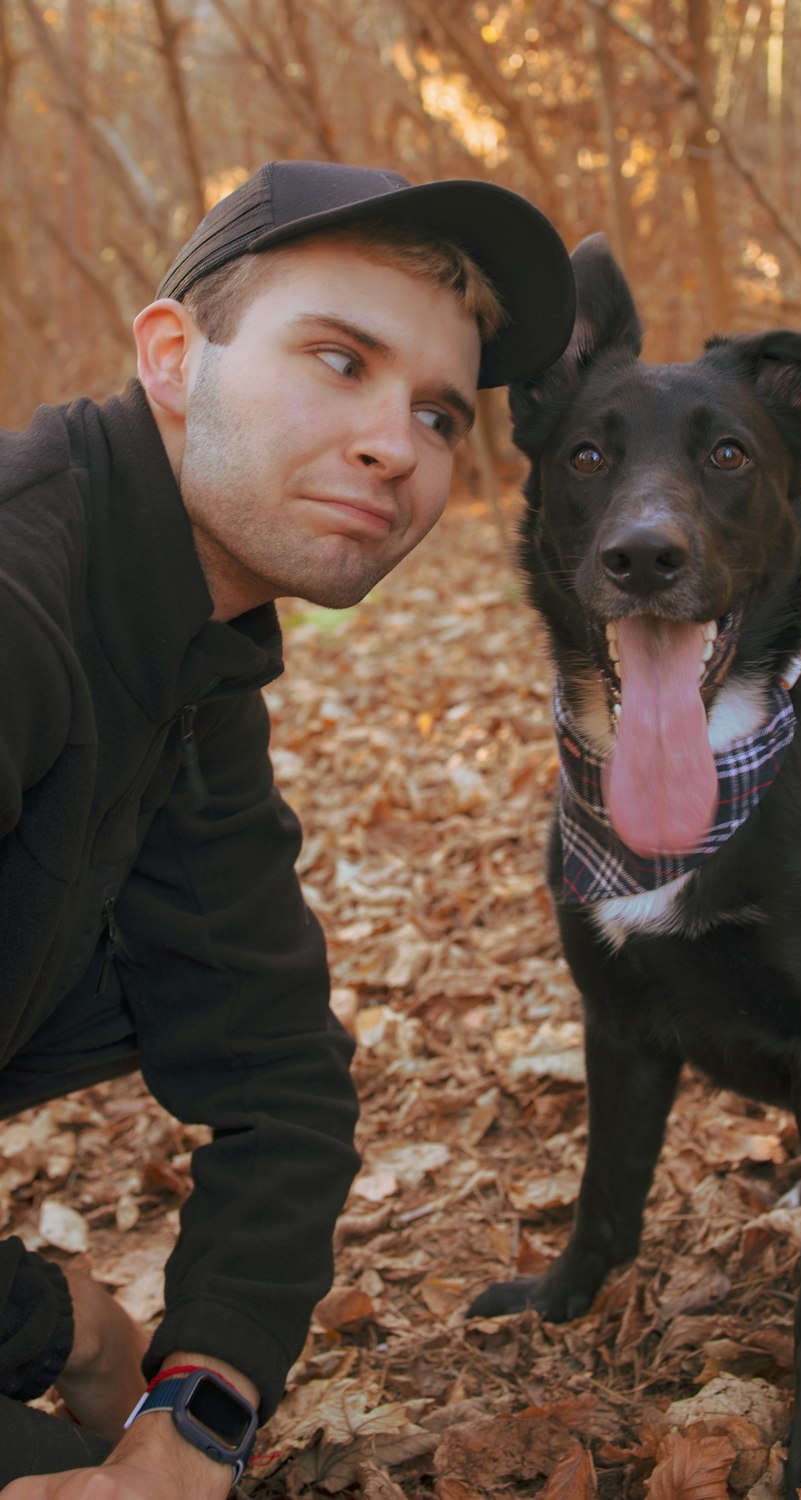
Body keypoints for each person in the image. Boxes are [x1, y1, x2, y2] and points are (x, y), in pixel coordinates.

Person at [0, 159, 575, 1497]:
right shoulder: (20, 604)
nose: (398, 445)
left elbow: (277, 1078)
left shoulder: (186, 656)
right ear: (170, 356)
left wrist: (197, 1410)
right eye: (337, 359)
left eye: (438, 411)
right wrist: (66, 1325)